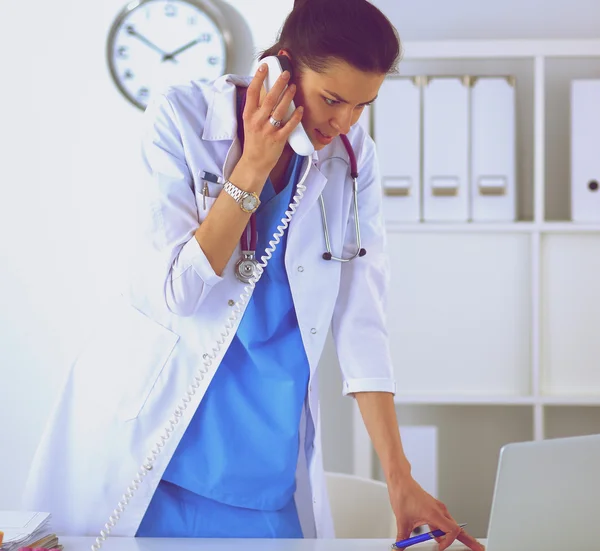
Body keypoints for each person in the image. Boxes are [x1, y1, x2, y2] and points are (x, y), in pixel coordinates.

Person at [23, 0, 484, 549]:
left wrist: (399, 475)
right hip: (155, 446)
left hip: (262, 461)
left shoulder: (352, 154)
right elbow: (178, 292)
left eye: (363, 106)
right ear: (284, 69)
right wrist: (253, 167)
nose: (343, 123)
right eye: (332, 99)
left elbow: (363, 319)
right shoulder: (183, 118)